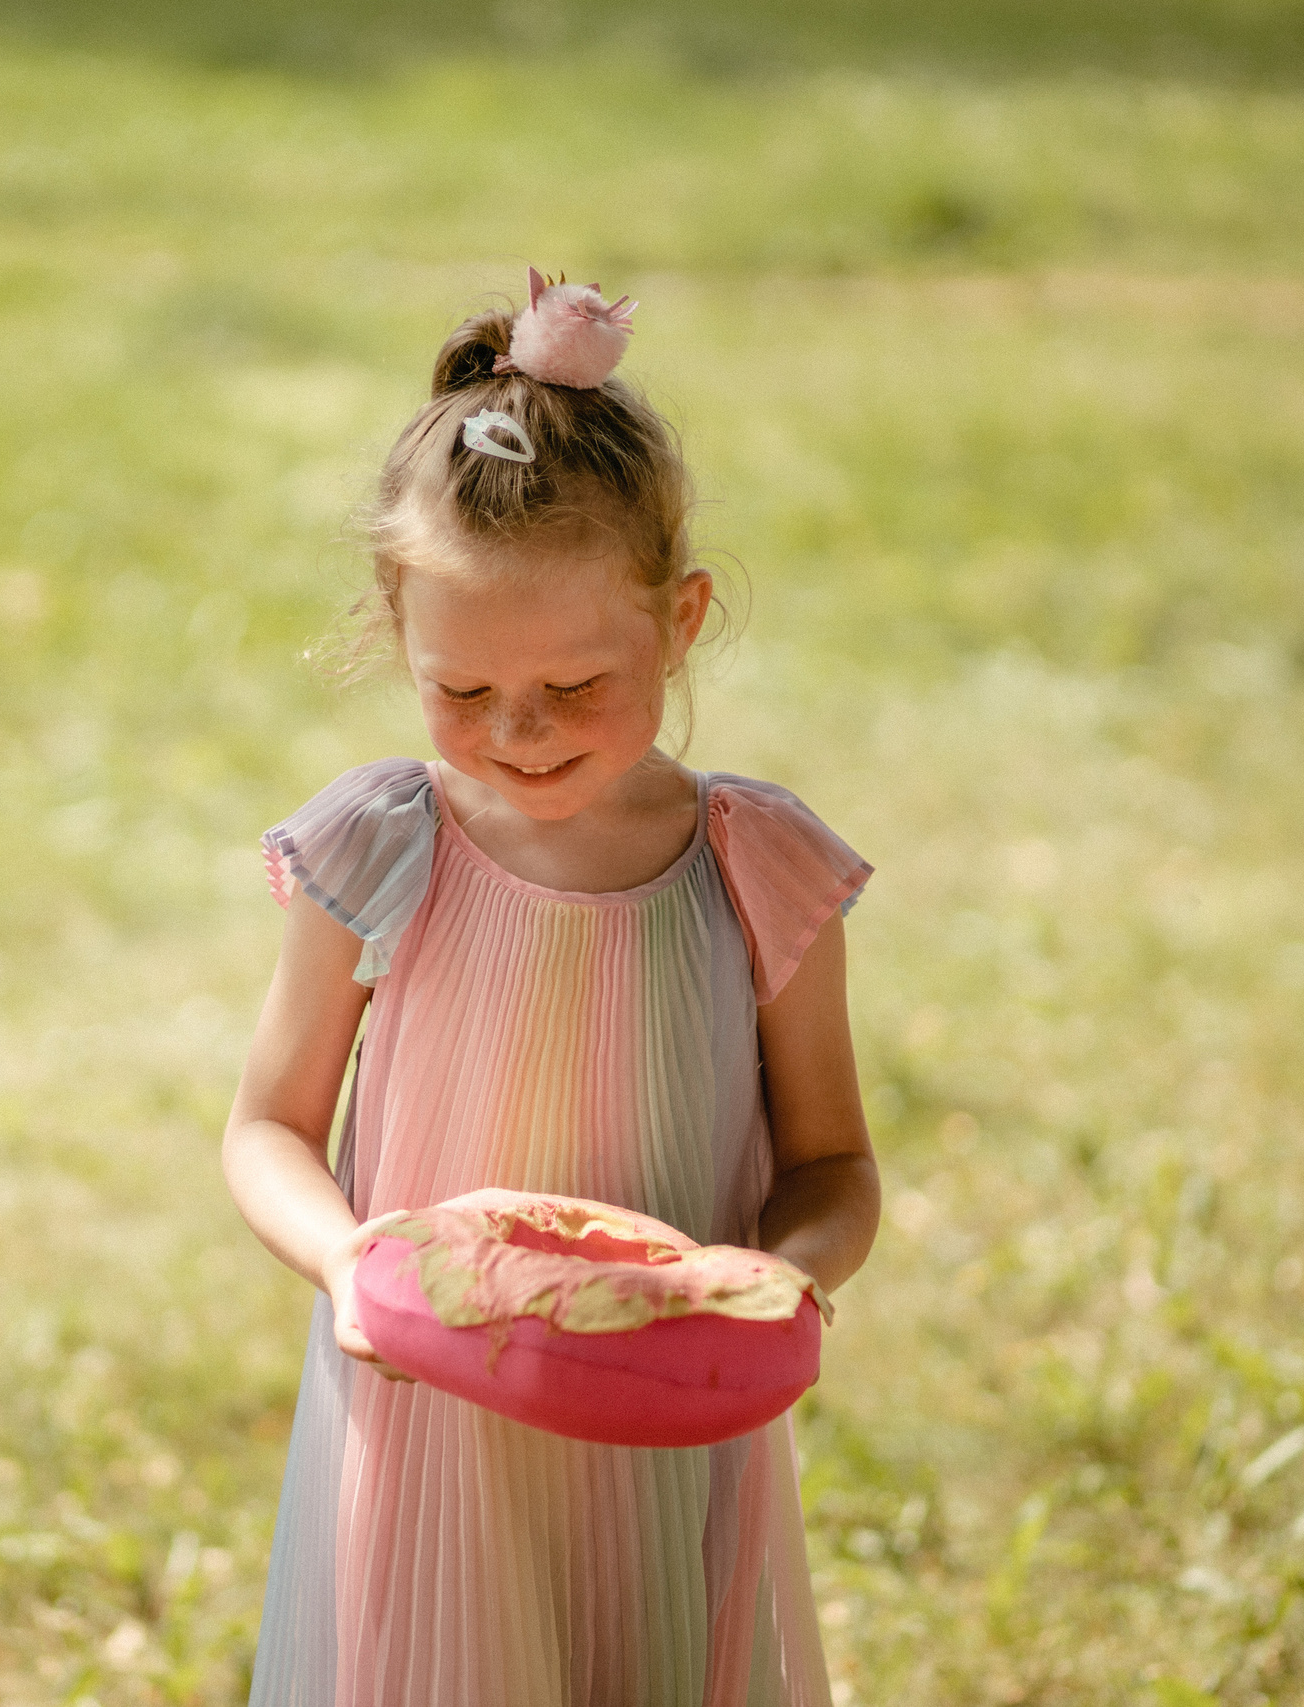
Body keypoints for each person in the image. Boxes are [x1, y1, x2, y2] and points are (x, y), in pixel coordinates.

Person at [221, 268, 882, 1707]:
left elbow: (834, 1164)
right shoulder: (383, 846)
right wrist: (346, 1263)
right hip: (427, 1422)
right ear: (399, 634)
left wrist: (781, 1279)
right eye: (461, 692)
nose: (517, 735)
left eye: (575, 688)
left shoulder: (751, 868)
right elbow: (267, 1126)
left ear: (683, 621)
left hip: (662, 1418)